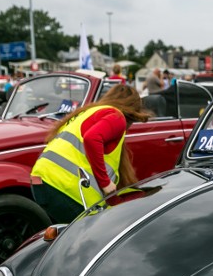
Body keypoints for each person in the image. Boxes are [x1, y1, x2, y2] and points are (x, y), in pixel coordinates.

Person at [30, 83, 151, 223]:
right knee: (91, 239)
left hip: (41, 181)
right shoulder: (117, 117)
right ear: (132, 111)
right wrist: (105, 183)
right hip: (63, 188)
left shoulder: (87, 113)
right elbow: (91, 138)